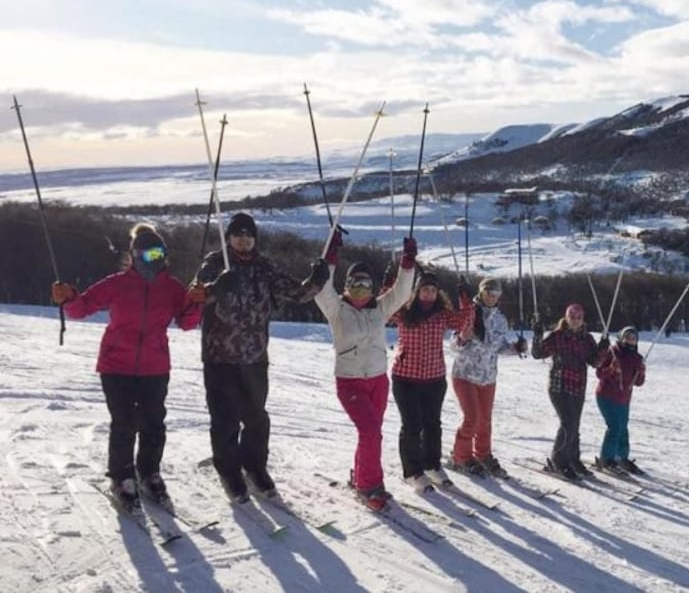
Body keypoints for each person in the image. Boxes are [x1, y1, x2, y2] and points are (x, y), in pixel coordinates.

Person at [50, 223, 204, 513]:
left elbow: (187, 322)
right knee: (124, 423)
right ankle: (122, 478)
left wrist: (196, 304)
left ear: (164, 254)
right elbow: (81, 308)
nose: (151, 258)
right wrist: (68, 297)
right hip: (116, 365)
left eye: (157, 252)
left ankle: (148, 472)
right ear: (133, 255)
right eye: (144, 253)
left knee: (153, 423)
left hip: (155, 366)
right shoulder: (117, 283)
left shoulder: (172, 287)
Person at [192, 212, 328, 502]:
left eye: (248, 235)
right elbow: (194, 296)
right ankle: (229, 471)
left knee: (256, 418)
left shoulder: (263, 267)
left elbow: (297, 293)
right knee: (225, 419)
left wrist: (318, 279)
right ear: (229, 237)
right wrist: (216, 287)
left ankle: (255, 467)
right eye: (238, 234)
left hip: (254, 356)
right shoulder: (215, 263)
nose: (243, 240)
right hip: (220, 357)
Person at [314, 234, 417, 511]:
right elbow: (322, 288)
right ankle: (369, 484)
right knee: (370, 431)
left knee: (372, 433)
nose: (360, 289)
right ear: (346, 286)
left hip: (378, 380)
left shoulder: (379, 310)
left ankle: (361, 473)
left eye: (365, 284)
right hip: (350, 382)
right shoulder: (337, 309)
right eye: (354, 283)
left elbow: (402, 293)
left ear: (372, 288)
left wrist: (407, 265)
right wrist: (330, 256)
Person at [390, 270, 475, 493]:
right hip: (406, 378)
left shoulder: (442, 314)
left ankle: (432, 465)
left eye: (433, 290)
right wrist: (389, 284)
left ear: (438, 293)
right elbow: (385, 308)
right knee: (412, 425)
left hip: (434, 378)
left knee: (432, 424)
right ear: (417, 291)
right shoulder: (405, 312)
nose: (428, 294)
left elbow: (463, 321)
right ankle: (413, 471)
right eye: (425, 289)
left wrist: (465, 297)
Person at [447, 277, 526, 478]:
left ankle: (483, 454)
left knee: (485, 420)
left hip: (488, 377)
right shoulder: (468, 312)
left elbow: (497, 346)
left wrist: (515, 348)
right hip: (465, 374)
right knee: (472, 418)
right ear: (481, 293)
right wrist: (461, 339)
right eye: (488, 293)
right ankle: (460, 456)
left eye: (496, 294)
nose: (492, 297)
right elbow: (453, 345)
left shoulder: (500, 319)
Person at [531, 303, 608, 480]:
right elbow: (538, 353)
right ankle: (558, 460)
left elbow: (595, 362)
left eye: (579, 318)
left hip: (578, 387)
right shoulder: (558, 336)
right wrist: (537, 335)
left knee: (575, 424)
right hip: (559, 386)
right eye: (572, 317)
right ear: (566, 317)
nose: (575, 321)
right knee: (568, 423)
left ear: (583, 320)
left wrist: (603, 349)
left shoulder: (587, 339)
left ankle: (573, 459)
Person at [594, 326, 646, 475]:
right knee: (614, 427)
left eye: (633, 338)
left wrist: (641, 372)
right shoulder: (613, 352)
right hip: (606, 396)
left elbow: (638, 382)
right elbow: (599, 373)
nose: (630, 340)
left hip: (623, 399)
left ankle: (622, 457)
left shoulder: (637, 358)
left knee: (623, 429)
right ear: (621, 338)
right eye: (627, 337)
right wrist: (611, 369)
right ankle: (606, 459)